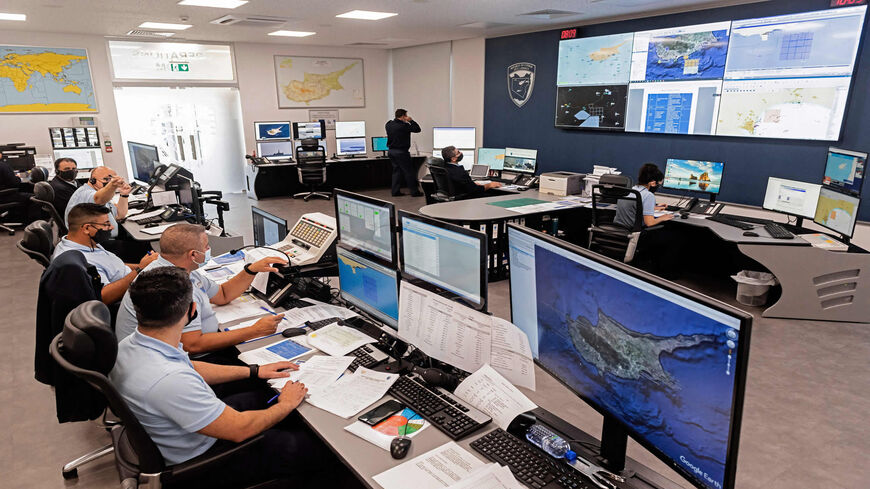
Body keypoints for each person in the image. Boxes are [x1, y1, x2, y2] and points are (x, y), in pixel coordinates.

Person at [110, 267, 350, 488]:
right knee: (324, 450)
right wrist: (286, 404)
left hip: (187, 432)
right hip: (207, 459)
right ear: (192, 310)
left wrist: (254, 370)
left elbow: (190, 367)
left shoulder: (132, 345)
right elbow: (240, 430)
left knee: (262, 395)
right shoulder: (168, 379)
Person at [115, 223, 287, 356]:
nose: (208, 250)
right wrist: (254, 330)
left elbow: (223, 294)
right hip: (178, 360)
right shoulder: (172, 287)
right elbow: (193, 344)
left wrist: (251, 269)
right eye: (206, 246)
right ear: (193, 255)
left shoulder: (181, 269)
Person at [52, 203, 159, 304]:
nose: (111, 227)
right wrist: (139, 270)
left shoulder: (82, 243)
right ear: (87, 228)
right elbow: (104, 296)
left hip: (132, 278)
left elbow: (114, 267)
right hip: (131, 294)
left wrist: (147, 267)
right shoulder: (81, 261)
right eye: (106, 224)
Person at [613, 163, 674, 229]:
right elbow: (649, 223)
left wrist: (655, 207)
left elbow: (634, 207)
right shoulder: (648, 195)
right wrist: (662, 218)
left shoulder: (631, 190)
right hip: (634, 233)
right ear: (653, 183)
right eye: (658, 185)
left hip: (618, 229)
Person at [385, 108, 422, 197]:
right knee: (409, 172)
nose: (407, 117)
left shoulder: (388, 124)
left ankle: (395, 191)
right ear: (402, 116)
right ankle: (414, 192)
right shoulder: (404, 126)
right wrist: (411, 121)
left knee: (396, 172)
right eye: (406, 115)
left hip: (391, 151)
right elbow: (417, 129)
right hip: (401, 152)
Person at [0, 151, 38, 222]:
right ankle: (32, 224)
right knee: (34, 198)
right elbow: (14, 183)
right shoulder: (3, 166)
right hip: (3, 197)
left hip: (2, 196)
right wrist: (18, 178)